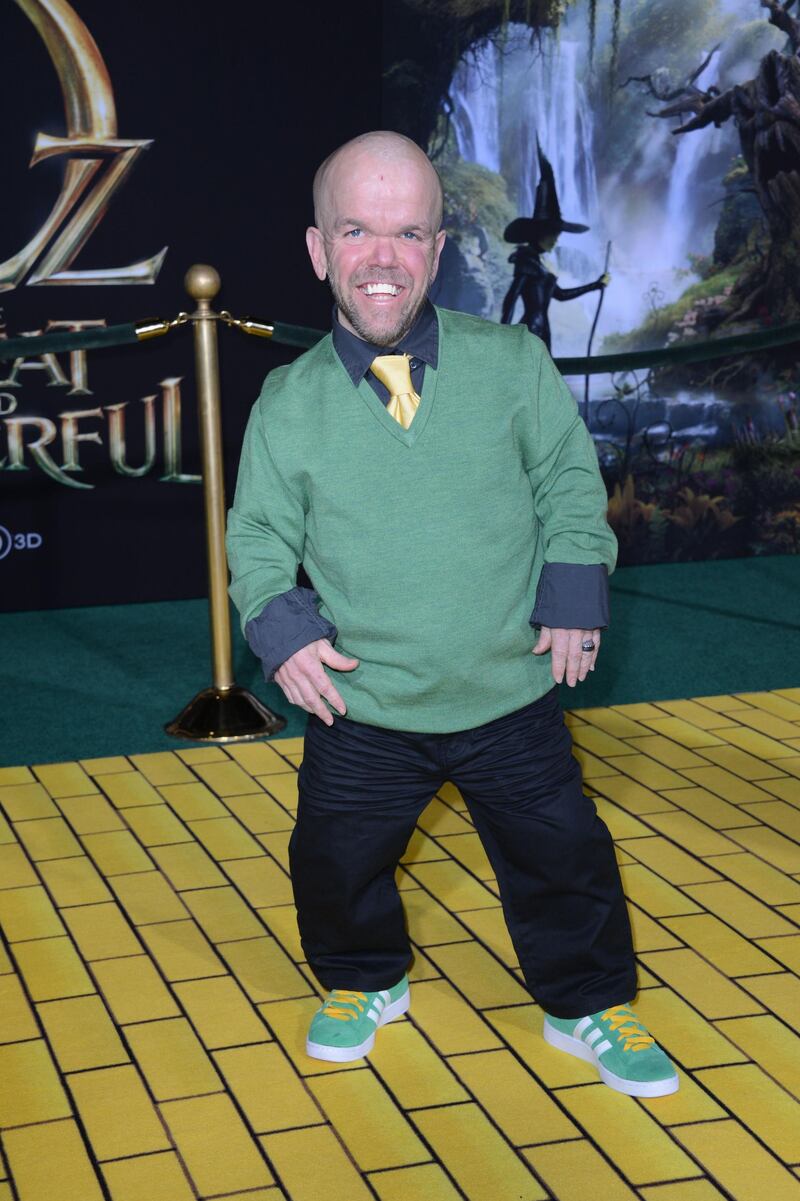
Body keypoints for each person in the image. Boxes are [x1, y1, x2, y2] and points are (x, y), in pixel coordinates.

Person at [226, 130, 678, 1099]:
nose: (381, 258)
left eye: (406, 232)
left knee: (563, 855)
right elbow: (258, 535)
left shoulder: (510, 363)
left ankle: (584, 1002)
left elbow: (565, 479)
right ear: (317, 250)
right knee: (333, 858)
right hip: (364, 705)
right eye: (356, 231)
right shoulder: (285, 403)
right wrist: (282, 629)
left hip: (507, 688)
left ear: (437, 249)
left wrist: (570, 590)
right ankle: (363, 979)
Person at [501, 141, 609, 350]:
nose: (555, 240)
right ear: (539, 234)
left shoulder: (538, 264)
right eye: (552, 235)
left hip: (542, 329)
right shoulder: (525, 261)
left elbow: (560, 295)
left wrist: (596, 285)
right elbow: (511, 298)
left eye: (557, 235)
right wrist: (502, 334)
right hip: (531, 329)